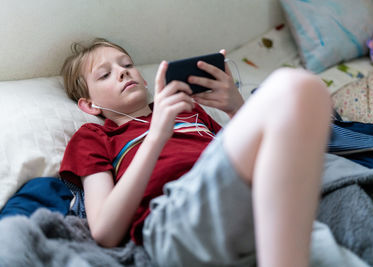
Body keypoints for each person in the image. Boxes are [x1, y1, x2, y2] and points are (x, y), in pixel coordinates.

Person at [59, 38, 332, 267]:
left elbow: (262, 161)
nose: (123, 72)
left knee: (305, 92)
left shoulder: (189, 110)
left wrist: (236, 107)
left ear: (142, 77)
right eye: (105, 74)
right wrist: (156, 136)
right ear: (89, 105)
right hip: (171, 220)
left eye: (127, 65)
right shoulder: (95, 136)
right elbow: (105, 231)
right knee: (295, 87)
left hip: (248, 202)